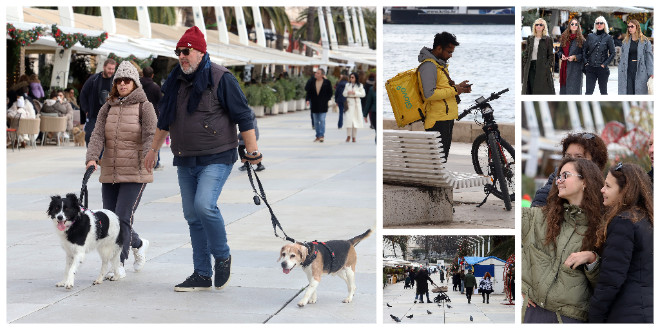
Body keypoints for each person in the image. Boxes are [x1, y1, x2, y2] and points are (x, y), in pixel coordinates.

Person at [143, 26, 261, 292]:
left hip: (217, 155)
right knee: (192, 216)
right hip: (185, 158)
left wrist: (252, 151)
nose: (182, 56)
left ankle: (222, 255)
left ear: (200, 52)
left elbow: (244, 115)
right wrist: (153, 149)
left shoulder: (221, 78)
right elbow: (164, 120)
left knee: (204, 206)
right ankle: (201, 273)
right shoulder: (174, 81)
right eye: (179, 52)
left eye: (187, 51)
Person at [85, 61, 156, 278]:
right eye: (119, 81)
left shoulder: (145, 106)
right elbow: (97, 135)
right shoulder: (107, 107)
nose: (123, 84)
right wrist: (92, 158)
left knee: (123, 217)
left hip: (135, 171)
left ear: (135, 83)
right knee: (110, 220)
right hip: (110, 170)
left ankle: (119, 263)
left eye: (127, 80)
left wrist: (147, 157)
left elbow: (150, 136)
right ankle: (138, 243)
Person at [522, 158, 604, 323]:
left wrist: (592, 259)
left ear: (585, 182)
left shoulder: (602, 227)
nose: (559, 180)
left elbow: (605, 285)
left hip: (570, 318)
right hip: (533, 313)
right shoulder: (541, 217)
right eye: (559, 176)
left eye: (565, 175)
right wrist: (518, 285)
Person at [588, 163, 653, 323]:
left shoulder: (623, 222)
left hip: (627, 313)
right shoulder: (646, 220)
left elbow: (610, 280)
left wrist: (594, 317)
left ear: (625, 190)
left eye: (608, 186)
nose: (602, 190)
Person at [418, 32, 471, 162]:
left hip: (445, 118)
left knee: (442, 159)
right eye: (449, 52)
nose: (451, 56)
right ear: (439, 48)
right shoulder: (429, 66)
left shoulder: (439, 65)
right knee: (438, 160)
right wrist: (454, 89)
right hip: (437, 120)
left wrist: (459, 89)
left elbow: (443, 90)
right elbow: (429, 94)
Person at [532, 132, 608, 207]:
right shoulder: (549, 192)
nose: (571, 162)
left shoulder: (605, 195)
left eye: (579, 157)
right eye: (568, 157)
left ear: (596, 163)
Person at [80, 58, 117, 146]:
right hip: (94, 114)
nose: (111, 71)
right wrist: (86, 109)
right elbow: (83, 94)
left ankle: (102, 158)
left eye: (113, 69)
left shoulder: (116, 81)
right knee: (89, 136)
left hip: (110, 115)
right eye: (109, 69)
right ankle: (91, 157)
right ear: (104, 67)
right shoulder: (94, 79)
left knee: (109, 139)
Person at [618, 20, 654, 95]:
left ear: (637, 27)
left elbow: (649, 58)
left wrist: (651, 72)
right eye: (628, 27)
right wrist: (620, 69)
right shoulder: (625, 41)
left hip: (640, 69)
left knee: (639, 91)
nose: (630, 28)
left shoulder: (645, 41)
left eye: (632, 26)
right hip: (627, 69)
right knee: (628, 91)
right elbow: (622, 57)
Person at [522, 18, 556, 95]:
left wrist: (547, 66)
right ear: (534, 26)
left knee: (542, 89)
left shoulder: (548, 39)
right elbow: (526, 53)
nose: (538, 26)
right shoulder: (530, 38)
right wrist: (525, 64)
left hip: (542, 67)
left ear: (544, 27)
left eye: (541, 25)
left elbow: (551, 55)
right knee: (531, 87)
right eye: (537, 24)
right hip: (530, 66)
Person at [583, 16, 615, 95]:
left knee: (603, 92)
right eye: (597, 23)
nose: (599, 24)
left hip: (602, 69)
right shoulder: (590, 36)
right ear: (595, 25)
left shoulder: (608, 38)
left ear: (604, 24)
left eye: (601, 23)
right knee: (588, 92)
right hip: (590, 68)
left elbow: (613, 53)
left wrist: (604, 64)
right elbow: (584, 50)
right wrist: (586, 62)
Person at [140, 66, 164, 170]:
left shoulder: (137, 86)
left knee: (140, 139)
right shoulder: (155, 87)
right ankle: (156, 162)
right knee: (154, 139)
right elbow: (161, 102)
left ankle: (141, 161)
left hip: (139, 115)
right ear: (152, 75)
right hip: (154, 116)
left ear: (142, 74)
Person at [557, 19, 586, 94]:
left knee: (573, 92)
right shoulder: (564, 37)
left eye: (576, 24)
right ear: (569, 25)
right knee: (564, 92)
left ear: (578, 26)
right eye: (572, 24)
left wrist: (575, 57)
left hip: (575, 70)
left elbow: (585, 55)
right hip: (565, 68)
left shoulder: (582, 40)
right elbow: (560, 51)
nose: (574, 25)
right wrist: (561, 55)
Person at [305, 68, 333, 142]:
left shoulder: (327, 82)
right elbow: (308, 91)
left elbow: (330, 92)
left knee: (322, 119)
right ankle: (317, 135)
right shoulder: (312, 82)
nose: (316, 74)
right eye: (316, 73)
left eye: (318, 73)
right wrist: (307, 99)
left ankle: (321, 135)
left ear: (322, 75)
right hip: (314, 104)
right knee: (316, 121)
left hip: (323, 104)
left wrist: (326, 99)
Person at [342, 72, 365, 143]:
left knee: (355, 121)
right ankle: (348, 136)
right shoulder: (347, 85)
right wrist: (348, 92)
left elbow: (363, 94)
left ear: (356, 78)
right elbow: (344, 93)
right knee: (349, 120)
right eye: (350, 77)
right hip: (349, 103)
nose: (351, 79)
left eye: (352, 77)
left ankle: (354, 136)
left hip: (356, 104)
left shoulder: (360, 85)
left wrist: (355, 93)